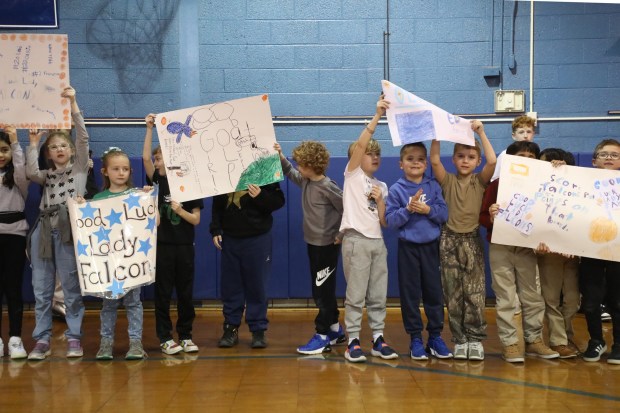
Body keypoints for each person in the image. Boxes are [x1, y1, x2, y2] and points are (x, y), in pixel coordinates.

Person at [480, 141, 560, 363]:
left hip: (527, 247)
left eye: (531, 156)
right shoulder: (497, 185)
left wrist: (560, 169)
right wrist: (491, 215)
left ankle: (534, 340)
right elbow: (482, 217)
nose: (526, 158)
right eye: (521, 155)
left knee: (532, 296)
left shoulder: (545, 184)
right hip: (501, 246)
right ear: (511, 159)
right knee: (506, 297)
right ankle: (510, 343)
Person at [25, 86, 87, 360]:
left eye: (63, 145)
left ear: (72, 150)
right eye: (54, 147)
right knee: (42, 287)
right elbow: (29, 171)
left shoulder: (80, 169)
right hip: (43, 230)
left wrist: (73, 102)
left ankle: (74, 337)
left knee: (71, 286)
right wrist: (34, 142)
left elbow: (83, 136)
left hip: (67, 231)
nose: (59, 149)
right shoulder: (46, 175)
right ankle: (41, 340)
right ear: (49, 153)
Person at [429, 120, 496, 360]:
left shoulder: (480, 181)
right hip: (448, 240)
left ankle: (475, 340)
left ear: (476, 162)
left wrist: (481, 132)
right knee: (453, 294)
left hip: (472, 240)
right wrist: (436, 135)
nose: (465, 160)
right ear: (454, 160)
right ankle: (459, 339)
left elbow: (493, 161)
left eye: (470, 156)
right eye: (460, 156)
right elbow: (434, 160)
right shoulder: (447, 181)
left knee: (475, 292)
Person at [340, 97, 398, 363]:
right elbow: (362, 142)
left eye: (378, 154)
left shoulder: (381, 185)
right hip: (356, 241)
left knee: (377, 293)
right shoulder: (352, 175)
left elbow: (384, 222)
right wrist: (377, 117)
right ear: (357, 156)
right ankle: (352, 339)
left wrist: (381, 201)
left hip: (377, 243)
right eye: (369, 153)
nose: (374, 156)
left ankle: (377, 337)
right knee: (356, 294)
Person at [275, 141, 346, 355]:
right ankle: (334, 329)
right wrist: (280, 155)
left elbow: (348, 209)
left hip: (327, 246)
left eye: (301, 164)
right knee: (323, 289)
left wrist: (340, 234)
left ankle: (322, 335)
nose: (297, 167)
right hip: (313, 244)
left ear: (312, 166)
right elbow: (289, 172)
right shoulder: (306, 181)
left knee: (321, 292)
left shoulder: (328, 187)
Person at [143, 114, 203, 355]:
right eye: (156, 159)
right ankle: (165, 337)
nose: (156, 162)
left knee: (186, 294)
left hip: (185, 246)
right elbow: (145, 157)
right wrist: (150, 129)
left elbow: (196, 220)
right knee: (163, 294)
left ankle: (186, 335)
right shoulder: (156, 182)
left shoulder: (189, 184)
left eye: (160, 158)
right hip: (163, 246)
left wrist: (180, 210)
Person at [385, 142, 451, 360]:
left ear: (426, 163)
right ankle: (415, 338)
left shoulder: (433, 186)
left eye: (421, 159)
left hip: (431, 248)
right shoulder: (396, 190)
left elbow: (443, 215)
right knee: (410, 294)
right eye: (410, 159)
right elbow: (391, 221)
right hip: (408, 249)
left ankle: (434, 336)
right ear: (401, 164)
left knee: (434, 292)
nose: (416, 163)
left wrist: (427, 209)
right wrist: (408, 209)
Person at [210, 180, 285, 349]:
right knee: (230, 286)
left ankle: (258, 330)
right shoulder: (221, 168)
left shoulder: (264, 168)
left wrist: (260, 196)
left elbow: (278, 201)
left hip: (257, 237)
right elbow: (217, 203)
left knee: (257, 285)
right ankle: (230, 328)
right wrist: (215, 228)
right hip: (230, 238)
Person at [89, 147, 148, 360]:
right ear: (105, 171)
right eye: (116, 169)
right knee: (109, 304)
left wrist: (150, 202)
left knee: (133, 303)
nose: (121, 173)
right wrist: (80, 209)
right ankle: (106, 343)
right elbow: (89, 228)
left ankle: (135, 343)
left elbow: (154, 222)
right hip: (109, 263)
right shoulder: (98, 198)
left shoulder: (137, 196)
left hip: (132, 261)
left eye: (125, 169)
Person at [534, 148, 580, 359]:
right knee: (551, 298)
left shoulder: (578, 189)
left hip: (574, 252)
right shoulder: (535, 188)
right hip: (549, 251)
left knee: (572, 299)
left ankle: (566, 334)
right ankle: (558, 341)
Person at [579, 138, 620, 364]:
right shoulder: (581, 182)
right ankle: (596, 341)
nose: (609, 158)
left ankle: (619, 345)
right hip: (590, 250)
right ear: (594, 161)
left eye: (614, 155)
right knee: (592, 301)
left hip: (618, 252)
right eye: (604, 155)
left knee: (617, 301)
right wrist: (557, 167)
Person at [0, 126, 29, 359]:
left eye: (4, 150)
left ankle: (15, 338)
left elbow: (20, 166)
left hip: (15, 235)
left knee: (13, 288)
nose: (1, 154)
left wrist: (16, 141)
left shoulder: (19, 178)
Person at [491, 115, 536, 182]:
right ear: (514, 136)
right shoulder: (504, 155)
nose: (525, 136)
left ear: (533, 134)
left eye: (529, 132)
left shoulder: (536, 153)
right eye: (521, 132)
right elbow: (495, 179)